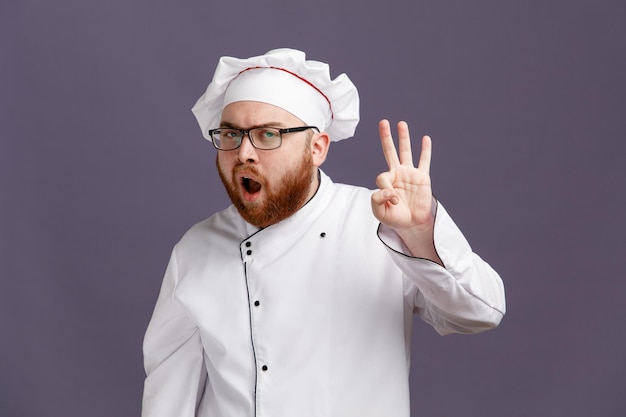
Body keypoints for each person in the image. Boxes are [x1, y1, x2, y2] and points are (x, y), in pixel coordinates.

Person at [142, 48, 506, 417]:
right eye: (231, 134)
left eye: (268, 134)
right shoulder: (195, 249)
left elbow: (480, 312)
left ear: (316, 148)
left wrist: (420, 231)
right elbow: (168, 391)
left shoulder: (379, 224)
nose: (244, 153)